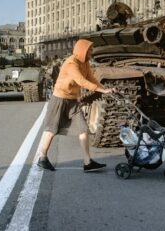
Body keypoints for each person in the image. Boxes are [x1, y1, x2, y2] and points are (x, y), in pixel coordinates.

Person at [37, 39, 115, 172]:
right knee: (52, 129)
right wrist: (102, 90)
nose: (91, 52)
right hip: (60, 99)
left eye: (91, 50)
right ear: (81, 50)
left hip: (73, 100)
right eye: (89, 50)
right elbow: (81, 81)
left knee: (83, 128)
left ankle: (87, 162)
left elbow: (92, 79)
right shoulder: (71, 63)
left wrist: (106, 89)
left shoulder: (85, 63)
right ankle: (42, 158)